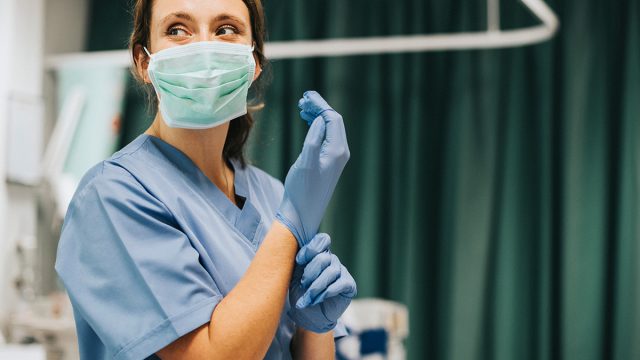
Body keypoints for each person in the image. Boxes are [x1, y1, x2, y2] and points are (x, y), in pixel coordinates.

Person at [54, 0, 356, 359]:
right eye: (177, 30)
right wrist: (291, 222)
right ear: (144, 62)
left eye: (226, 29)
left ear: (254, 62)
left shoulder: (273, 194)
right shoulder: (111, 197)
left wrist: (313, 325)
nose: (203, 48)